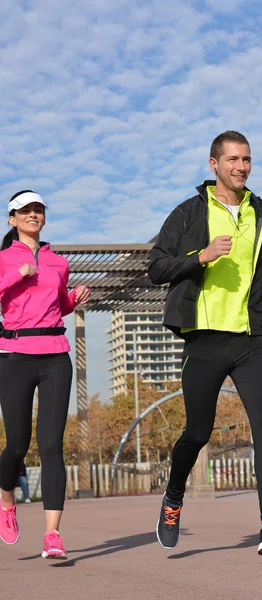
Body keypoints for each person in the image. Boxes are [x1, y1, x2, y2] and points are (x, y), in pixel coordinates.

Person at [148, 131, 262, 556]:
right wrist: (200, 256)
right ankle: (174, 495)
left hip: (249, 338)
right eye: (233, 159)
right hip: (203, 338)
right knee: (198, 431)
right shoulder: (187, 213)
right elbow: (156, 268)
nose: (241, 166)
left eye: (247, 159)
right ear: (214, 164)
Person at [0, 190, 90, 559]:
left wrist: (74, 298)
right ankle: (6, 500)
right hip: (14, 355)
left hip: (56, 355)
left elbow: (56, 307)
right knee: (18, 445)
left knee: (52, 445)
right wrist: (16, 276)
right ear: (13, 219)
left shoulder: (58, 261)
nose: (33, 215)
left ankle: (52, 534)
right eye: (26, 211)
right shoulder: (4, 258)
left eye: (38, 210)